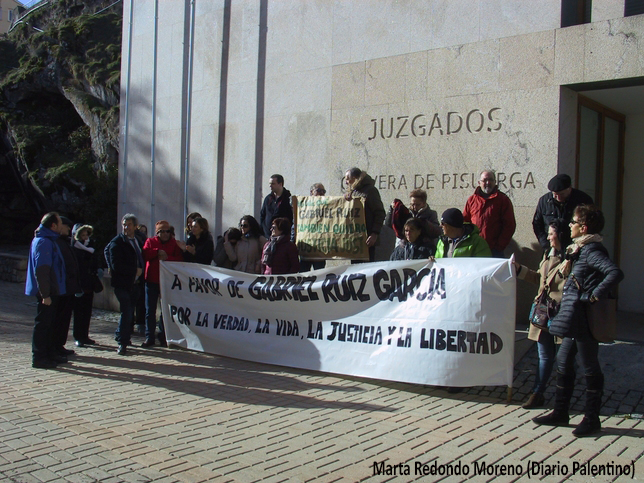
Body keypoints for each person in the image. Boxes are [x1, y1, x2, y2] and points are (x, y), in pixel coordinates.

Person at [534, 205, 623, 437]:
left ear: (583, 227)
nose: (570, 226)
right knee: (563, 363)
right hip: (572, 317)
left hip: (584, 319)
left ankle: (592, 419)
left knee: (589, 367)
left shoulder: (592, 250)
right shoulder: (577, 250)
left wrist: (593, 295)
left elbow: (614, 273)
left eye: (573, 222)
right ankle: (561, 412)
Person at [515, 220, 568, 408]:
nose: (548, 237)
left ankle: (565, 397)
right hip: (544, 312)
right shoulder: (548, 253)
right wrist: (519, 270)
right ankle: (538, 393)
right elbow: (539, 279)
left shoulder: (572, 258)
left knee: (565, 358)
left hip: (562, 314)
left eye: (551, 233)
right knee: (544, 356)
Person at [25, 212, 67, 369]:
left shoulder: (49, 240)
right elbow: (42, 271)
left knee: (50, 324)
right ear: (53, 225)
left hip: (52, 290)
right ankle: (39, 356)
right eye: (60, 223)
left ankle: (50, 353)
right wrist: (46, 295)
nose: (62, 226)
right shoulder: (44, 242)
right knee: (43, 325)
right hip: (47, 292)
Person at [105, 213, 145, 355]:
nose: (126, 227)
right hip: (122, 283)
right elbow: (116, 264)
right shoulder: (118, 242)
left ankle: (122, 335)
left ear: (135, 227)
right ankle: (122, 342)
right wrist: (134, 270)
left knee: (130, 312)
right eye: (124, 224)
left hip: (136, 284)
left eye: (128, 225)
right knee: (126, 312)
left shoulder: (139, 240)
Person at [142, 220, 184, 348]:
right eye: (162, 232)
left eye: (167, 231)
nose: (165, 234)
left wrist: (167, 258)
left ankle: (163, 336)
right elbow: (145, 254)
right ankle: (149, 336)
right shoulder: (150, 242)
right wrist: (156, 252)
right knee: (150, 310)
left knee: (165, 310)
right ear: (157, 233)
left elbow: (179, 260)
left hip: (166, 282)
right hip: (152, 281)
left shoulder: (174, 244)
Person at [533, 173, 593, 253]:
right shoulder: (544, 201)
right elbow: (537, 223)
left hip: (575, 247)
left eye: (561, 194)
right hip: (551, 248)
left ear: (569, 188)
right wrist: (545, 244)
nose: (558, 198)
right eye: (555, 194)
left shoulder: (583, 200)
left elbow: (591, 224)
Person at [463, 170, 516, 257]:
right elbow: (465, 222)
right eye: (485, 180)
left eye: (491, 180)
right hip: (474, 249)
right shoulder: (471, 200)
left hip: (494, 251)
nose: (488, 182)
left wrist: (499, 246)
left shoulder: (503, 200)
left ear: (495, 182)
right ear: (479, 182)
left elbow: (509, 225)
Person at [52, 216, 82, 358]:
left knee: (65, 319)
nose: (69, 229)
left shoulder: (65, 242)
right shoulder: (55, 242)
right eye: (66, 226)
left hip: (69, 287)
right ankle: (54, 347)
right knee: (58, 319)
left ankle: (59, 345)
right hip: (61, 288)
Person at [344, 167, 386, 262]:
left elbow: (380, 213)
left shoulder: (370, 191)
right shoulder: (352, 192)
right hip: (354, 240)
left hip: (367, 239)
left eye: (347, 179)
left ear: (354, 178)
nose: (346, 182)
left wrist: (374, 233)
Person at [71, 224, 99, 347]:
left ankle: (85, 335)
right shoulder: (75, 247)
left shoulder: (91, 246)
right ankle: (78, 336)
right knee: (79, 312)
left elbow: (95, 260)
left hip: (89, 282)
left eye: (86, 234)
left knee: (87, 311)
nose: (85, 237)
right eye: (82, 235)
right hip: (80, 282)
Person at [300, 182, 328, 272]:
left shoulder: (328, 206)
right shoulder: (303, 206)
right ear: (311, 192)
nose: (322, 193)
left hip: (320, 250)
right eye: (319, 190)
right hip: (306, 249)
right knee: (303, 275)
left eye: (324, 191)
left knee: (319, 275)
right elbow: (296, 224)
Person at [260, 175, 293, 239]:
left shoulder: (288, 199)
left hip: (282, 236)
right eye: (270, 184)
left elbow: (291, 217)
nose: (270, 186)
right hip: (267, 236)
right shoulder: (268, 198)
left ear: (280, 184)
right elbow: (262, 215)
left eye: (273, 184)